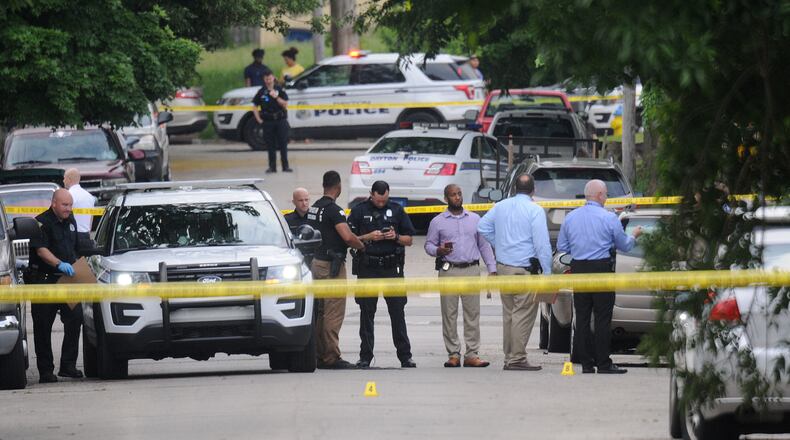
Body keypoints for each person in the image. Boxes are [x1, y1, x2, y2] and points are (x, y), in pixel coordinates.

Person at [557, 179, 642, 374]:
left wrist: (580, 249)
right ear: (601, 196)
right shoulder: (609, 218)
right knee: (603, 319)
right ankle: (603, 363)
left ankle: (586, 364)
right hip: (601, 268)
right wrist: (635, 235)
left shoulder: (571, 217)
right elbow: (625, 245)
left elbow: (562, 247)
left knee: (583, 318)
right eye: (606, 195)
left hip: (579, 268)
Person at [478, 174, 552, 371]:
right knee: (523, 314)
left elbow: (482, 226)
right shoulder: (535, 210)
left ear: (514, 188)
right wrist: (547, 271)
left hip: (503, 268)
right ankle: (516, 358)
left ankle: (509, 356)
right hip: (523, 270)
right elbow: (542, 244)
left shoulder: (500, 206)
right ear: (533, 190)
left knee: (509, 314)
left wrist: (499, 244)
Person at [425, 184, 496, 368]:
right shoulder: (438, 221)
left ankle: (472, 354)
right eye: (453, 195)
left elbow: (484, 246)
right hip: (449, 270)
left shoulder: (474, 219)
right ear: (446, 198)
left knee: (472, 313)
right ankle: (453, 353)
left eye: (459, 194)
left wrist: (491, 268)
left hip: (471, 269)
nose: (457, 197)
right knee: (449, 314)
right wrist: (438, 250)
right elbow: (428, 245)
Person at [348, 181, 417, 369]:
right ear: (371, 194)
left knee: (397, 313)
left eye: (384, 200)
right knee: (366, 313)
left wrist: (394, 237)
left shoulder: (396, 210)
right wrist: (368, 237)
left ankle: (405, 356)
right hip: (367, 268)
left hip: (391, 268)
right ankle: (365, 356)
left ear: (388, 194)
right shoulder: (359, 210)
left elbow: (409, 240)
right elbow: (349, 239)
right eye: (378, 200)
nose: (381, 203)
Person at [307, 171, 366, 369]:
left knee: (320, 311)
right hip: (332, 267)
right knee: (333, 311)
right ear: (338, 187)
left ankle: (319, 354)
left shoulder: (314, 208)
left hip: (316, 263)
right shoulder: (334, 210)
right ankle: (331, 357)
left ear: (324, 185)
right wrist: (362, 245)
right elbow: (347, 237)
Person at [24, 189, 84, 383]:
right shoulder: (41, 223)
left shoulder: (71, 220)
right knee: (43, 326)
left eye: (71, 205)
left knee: (75, 319)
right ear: (54, 204)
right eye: (65, 205)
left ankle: (68, 366)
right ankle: (46, 371)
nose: (69, 209)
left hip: (68, 280)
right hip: (45, 279)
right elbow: (41, 251)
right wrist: (60, 264)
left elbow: (75, 247)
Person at [253, 70, 292, 173]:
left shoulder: (280, 89)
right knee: (270, 145)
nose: (268, 80)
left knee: (283, 143)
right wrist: (259, 119)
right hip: (268, 121)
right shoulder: (261, 92)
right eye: (266, 79)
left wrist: (276, 97)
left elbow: (285, 104)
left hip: (280, 120)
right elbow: (254, 106)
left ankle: (285, 166)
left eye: (270, 78)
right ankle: (272, 167)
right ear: (264, 80)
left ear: (273, 78)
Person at [63, 168, 96, 234]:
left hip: (71, 237)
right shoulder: (90, 197)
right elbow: (90, 220)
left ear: (69, 179)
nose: (63, 181)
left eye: (64, 178)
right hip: (86, 237)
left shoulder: (67, 195)